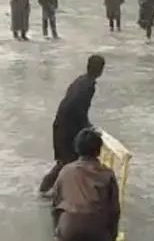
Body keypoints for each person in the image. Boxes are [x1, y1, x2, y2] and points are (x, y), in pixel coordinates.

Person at [39, 55, 105, 195]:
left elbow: (74, 108)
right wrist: (87, 127)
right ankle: (48, 191)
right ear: (101, 70)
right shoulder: (88, 86)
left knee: (67, 162)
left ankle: (54, 191)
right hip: (66, 130)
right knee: (66, 162)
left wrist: (86, 126)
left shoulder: (81, 81)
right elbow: (78, 109)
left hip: (62, 126)